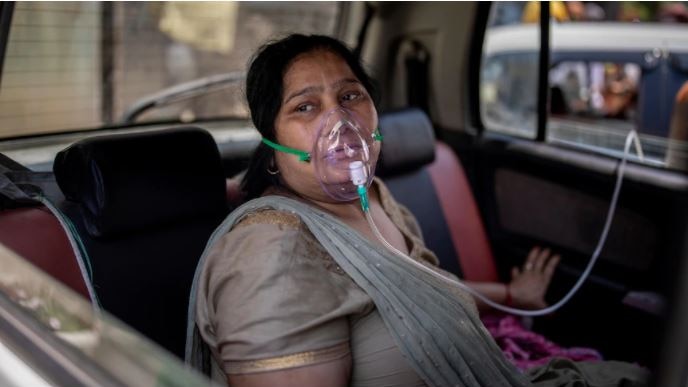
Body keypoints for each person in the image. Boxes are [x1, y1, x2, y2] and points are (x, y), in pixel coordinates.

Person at [186, 34, 649, 387]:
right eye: (306, 107)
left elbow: (415, 291)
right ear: (272, 149)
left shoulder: (377, 200)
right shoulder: (271, 253)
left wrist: (510, 293)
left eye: (350, 97)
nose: (339, 124)